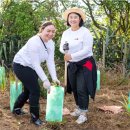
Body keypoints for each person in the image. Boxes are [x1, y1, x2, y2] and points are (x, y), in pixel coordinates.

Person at [12, 21, 60, 126]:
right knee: (35, 90)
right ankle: (35, 118)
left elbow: (50, 61)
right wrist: (45, 80)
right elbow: (35, 63)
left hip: (32, 67)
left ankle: (16, 109)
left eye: (53, 31)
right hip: (21, 65)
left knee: (28, 90)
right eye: (48, 31)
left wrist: (54, 78)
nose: (51, 34)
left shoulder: (51, 43)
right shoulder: (34, 41)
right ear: (42, 30)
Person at [60, 7, 97, 124]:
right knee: (75, 88)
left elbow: (87, 49)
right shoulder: (66, 33)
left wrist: (72, 56)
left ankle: (83, 113)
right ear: (68, 19)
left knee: (82, 88)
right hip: (72, 64)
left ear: (80, 19)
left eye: (75, 17)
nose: (73, 19)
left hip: (86, 63)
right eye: (71, 17)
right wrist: (64, 51)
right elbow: (61, 47)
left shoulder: (85, 32)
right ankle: (78, 108)